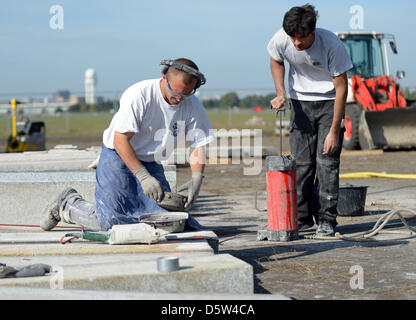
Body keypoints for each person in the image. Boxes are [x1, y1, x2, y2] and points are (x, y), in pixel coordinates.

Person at [40, 58, 214, 232]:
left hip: (151, 160)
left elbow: (198, 144)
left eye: (186, 94)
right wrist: (143, 177)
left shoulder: (191, 104)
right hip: (118, 156)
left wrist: (197, 177)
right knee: (112, 222)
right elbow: (120, 140)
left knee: (164, 221)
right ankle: (69, 204)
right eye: (176, 93)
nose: (180, 99)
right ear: (163, 77)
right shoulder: (140, 95)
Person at [267, 4, 353, 237]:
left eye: (301, 38)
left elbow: (342, 88)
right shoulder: (281, 39)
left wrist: (335, 130)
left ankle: (326, 220)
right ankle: (302, 218)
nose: (296, 43)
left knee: (327, 162)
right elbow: (276, 60)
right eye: (292, 37)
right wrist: (281, 91)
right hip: (299, 104)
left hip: (329, 103)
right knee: (302, 164)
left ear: (313, 31)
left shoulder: (332, 44)